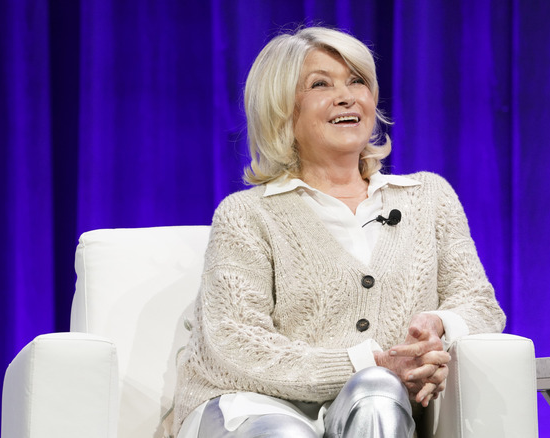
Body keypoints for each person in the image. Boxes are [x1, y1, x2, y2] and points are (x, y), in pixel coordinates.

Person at [168, 26, 505, 438]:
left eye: (357, 81)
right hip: (249, 405)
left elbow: (481, 307)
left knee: (380, 391)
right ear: (282, 109)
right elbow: (236, 345)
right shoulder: (247, 215)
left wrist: (434, 328)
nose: (347, 96)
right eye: (320, 84)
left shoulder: (429, 198)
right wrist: (372, 361)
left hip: (370, 403)